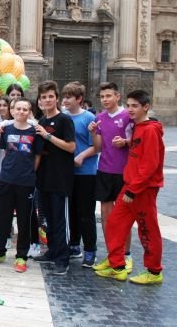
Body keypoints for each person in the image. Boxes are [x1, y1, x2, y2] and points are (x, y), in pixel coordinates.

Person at [95, 90, 164, 285]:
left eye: (135, 106)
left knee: (147, 229)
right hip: (131, 185)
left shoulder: (149, 130)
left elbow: (149, 165)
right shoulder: (138, 127)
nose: (130, 109)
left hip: (142, 189)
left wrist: (133, 190)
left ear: (146, 107)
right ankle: (117, 265)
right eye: (129, 105)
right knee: (114, 223)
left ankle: (154, 271)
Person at [0, 98, 43, 273]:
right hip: (6, 179)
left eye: (25, 109)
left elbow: (37, 156)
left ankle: (21, 256)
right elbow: (3, 150)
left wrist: (30, 173)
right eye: (18, 109)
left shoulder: (35, 131)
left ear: (29, 112)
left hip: (26, 182)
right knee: (3, 217)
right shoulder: (6, 129)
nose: (21, 112)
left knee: (24, 220)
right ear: (13, 111)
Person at [88, 82, 134, 273]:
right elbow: (98, 147)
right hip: (105, 170)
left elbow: (138, 141)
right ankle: (111, 255)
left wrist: (125, 141)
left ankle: (126, 255)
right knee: (107, 215)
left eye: (109, 96)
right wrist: (92, 133)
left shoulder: (128, 116)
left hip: (124, 172)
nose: (105, 100)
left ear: (117, 96)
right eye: (102, 97)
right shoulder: (100, 118)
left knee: (124, 216)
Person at [32, 81, 76, 276]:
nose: (47, 100)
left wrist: (48, 137)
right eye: (43, 97)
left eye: (50, 96)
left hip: (60, 179)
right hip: (43, 178)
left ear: (56, 98)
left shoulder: (64, 120)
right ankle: (52, 251)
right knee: (48, 218)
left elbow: (71, 147)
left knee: (60, 220)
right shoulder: (41, 122)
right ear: (39, 101)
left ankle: (62, 258)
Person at [61, 82, 99, 268]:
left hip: (86, 172)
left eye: (69, 97)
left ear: (79, 99)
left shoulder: (89, 118)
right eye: (64, 96)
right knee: (72, 211)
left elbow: (97, 146)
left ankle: (90, 250)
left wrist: (82, 156)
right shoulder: (63, 117)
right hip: (68, 172)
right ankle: (74, 245)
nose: (65, 100)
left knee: (86, 213)